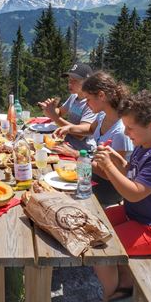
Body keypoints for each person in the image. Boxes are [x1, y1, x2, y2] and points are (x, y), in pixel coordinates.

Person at [91, 90, 151, 302]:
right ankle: (122, 284)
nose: (126, 132)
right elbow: (132, 171)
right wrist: (117, 160)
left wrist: (108, 166)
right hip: (135, 214)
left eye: (130, 128)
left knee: (100, 250)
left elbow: (134, 193)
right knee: (93, 225)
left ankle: (115, 298)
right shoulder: (144, 145)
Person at [55, 71, 133, 206]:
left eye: (88, 99)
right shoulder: (103, 115)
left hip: (109, 189)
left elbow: (109, 174)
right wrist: (70, 128)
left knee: (62, 197)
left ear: (101, 96)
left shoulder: (120, 132)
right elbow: (91, 129)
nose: (86, 104)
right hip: (95, 174)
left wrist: (77, 155)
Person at [37, 63, 97, 156]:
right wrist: (50, 109)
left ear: (87, 82)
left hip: (81, 152)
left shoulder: (92, 104)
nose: (70, 83)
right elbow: (60, 112)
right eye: (69, 80)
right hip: (67, 143)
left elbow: (80, 135)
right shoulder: (74, 96)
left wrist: (55, 117)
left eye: (75, 80)